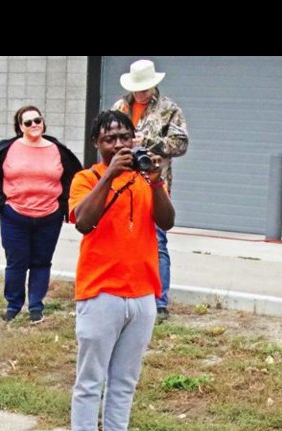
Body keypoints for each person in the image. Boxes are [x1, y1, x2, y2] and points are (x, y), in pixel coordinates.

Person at [67, 111, 174, 431]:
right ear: (97, 143)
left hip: (142, 292)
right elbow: (83, 221)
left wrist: (157, 180)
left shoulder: (145, 179)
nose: (119, 144)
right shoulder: (86, 179)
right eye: (110, 138)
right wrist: (110, 174)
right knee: (90, 378)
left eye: (125, 137)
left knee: (124, 378)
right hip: (100, 291)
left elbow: (167, 221)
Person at [0, 105, 81, 323]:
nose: (34, 125)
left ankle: (36, 306)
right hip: (15, 216)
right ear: (20, 127)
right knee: (16, 263)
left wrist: (64, 206)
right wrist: (1, 204)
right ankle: (13, 305)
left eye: (38, 120)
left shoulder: (57, 149)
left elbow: (74, 178)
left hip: (49, 216)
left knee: (41, 262)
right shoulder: (7, 149)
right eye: (28, 122)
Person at [112, 60, 188, 323]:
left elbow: (181, 144)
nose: (141, 93)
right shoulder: (119, 108)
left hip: (154, 183)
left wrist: (150, 142)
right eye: (138, 88)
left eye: (146, 88)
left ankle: (160, 301)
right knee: (121, 239)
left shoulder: (169, 109)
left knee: (157, 242)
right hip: (122, 182)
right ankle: (124, 293)